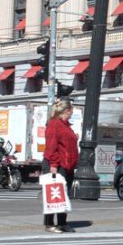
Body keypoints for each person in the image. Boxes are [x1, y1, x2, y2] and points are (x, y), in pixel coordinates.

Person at [42, 98, 79, 233]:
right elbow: (51, 147)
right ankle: (50, 223)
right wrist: (53, 164)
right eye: (71, 111)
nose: (72, 113)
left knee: (64, 195)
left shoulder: (65, 125)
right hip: (57, 164)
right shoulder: (55, 124)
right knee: (54, 193)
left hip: (67, 165)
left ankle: (62, 222)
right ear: (66, 111)